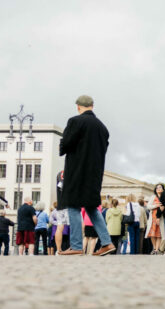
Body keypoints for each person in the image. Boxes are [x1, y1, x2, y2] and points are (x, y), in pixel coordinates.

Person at [58, 95, 115, 256]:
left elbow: (66, 143)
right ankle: (107, 242)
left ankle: (76, 245)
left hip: (77, 171)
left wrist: (61, 147)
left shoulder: (75, 121)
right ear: (92, 106)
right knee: (91, 206)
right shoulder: (103, 128)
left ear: (78, 107)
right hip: (94, 174)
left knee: (73, 205)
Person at [145, 185, 165, 254]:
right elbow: (148, 206)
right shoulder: (153, 197)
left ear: (163, 189)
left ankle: (157, 250)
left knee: (159, 234)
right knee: (152, 234)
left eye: (160, 187)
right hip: (153, 218)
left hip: (161, 218)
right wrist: (155, 205)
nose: (158, 189)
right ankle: (154, 248)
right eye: (157, 188)